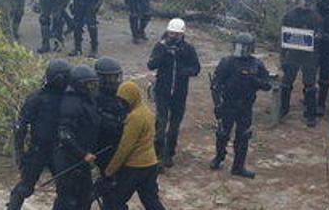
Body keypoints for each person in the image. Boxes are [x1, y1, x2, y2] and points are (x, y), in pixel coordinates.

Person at [8, 59, 71, 210]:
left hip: (58, 150)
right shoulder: (37, 98)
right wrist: (19, 153)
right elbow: (20, 127)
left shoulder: (68, 98)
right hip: (39, 149)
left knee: (66, 191)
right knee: (25, 188)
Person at [210, 33, 272, 178]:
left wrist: (255, 81)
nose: (242, 50)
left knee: (243, 136)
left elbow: (267, 84)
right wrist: (218, 104)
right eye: (240, 47)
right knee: (222, 133)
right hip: (228, 103)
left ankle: (238, 166)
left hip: (246, 105)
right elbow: (216, 85)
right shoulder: (227, 62)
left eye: (245, 48)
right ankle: (219, 157)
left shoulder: (256, 64)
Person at [101, 81, 166, 210]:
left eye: (123, 101)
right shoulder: (147, 112)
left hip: (135, 167)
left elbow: (125, 148)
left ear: (132, 98)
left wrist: (110, 170)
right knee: (151, 201)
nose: (121, 104)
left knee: (114, 201)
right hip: (150, 164)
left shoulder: (135, 118)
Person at [147, 18, 200, 168]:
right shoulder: (160, 46)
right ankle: (158, 153)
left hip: (179, 93)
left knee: (175, 125)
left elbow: (196, 68)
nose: (174, 37)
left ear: (182, 34)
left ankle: (169, 153)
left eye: (177, 34)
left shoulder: (188, 49)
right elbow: (151, 65)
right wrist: (163, 54)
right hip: (163, 91)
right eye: (172, 33)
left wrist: (185, 71)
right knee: (161, 123)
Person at [53, 65, 101, 210]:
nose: (93, 87)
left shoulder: (88, 100)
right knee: (67, 200)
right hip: (69, 161)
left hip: (82, 161)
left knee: (85, 197)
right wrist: (83, 154)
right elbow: (64, 134)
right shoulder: (70, 104)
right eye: (89, 84)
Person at [279, 0, 321, 127]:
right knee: (286, 82)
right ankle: (283, 109)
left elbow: (319, 34)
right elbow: (283, 36)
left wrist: (317, 37)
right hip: (293, 53)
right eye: (303, 0)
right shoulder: (289, 15)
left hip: (309, 54)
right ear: (297, 0)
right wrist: (282, 56)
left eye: (308, 1)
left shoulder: (315, 17)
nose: (305, 4)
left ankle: (311, 114)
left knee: (309, 85)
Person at [94, 57, 129, 172]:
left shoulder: (122, 94)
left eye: (115, 77)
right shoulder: (95, 98)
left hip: (121, 145)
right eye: (110, 78)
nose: (114, 81)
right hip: (103, 145)